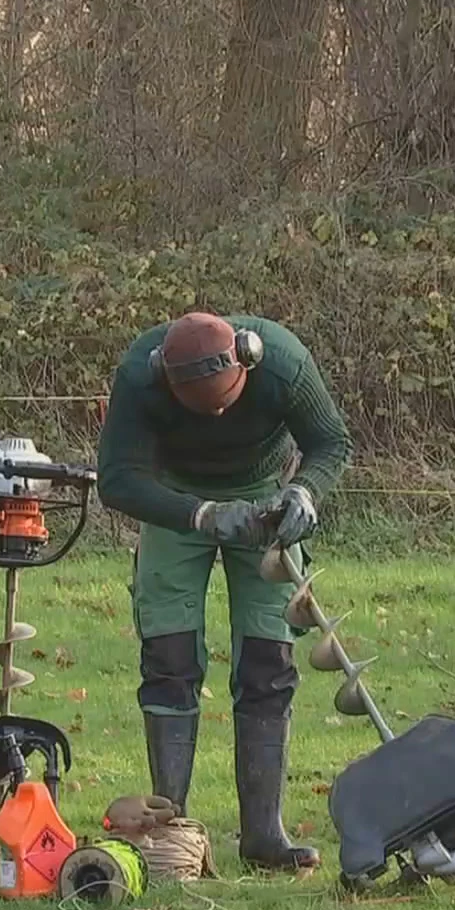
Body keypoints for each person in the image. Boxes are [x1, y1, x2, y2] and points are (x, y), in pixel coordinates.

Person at [97, 312, 352, 872]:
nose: (215, 414)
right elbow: (115, 478)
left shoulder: (283, 363)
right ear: (166, 377)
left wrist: (305, 494)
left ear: (248, 360)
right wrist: (203, 514)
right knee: (168, 657)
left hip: (264, 500)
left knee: (270, 660)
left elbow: (332, 442)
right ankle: (173, 832)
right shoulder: (140, 376)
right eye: (200, 405)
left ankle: (264, 835)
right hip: (173, 504)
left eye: (224, 401)